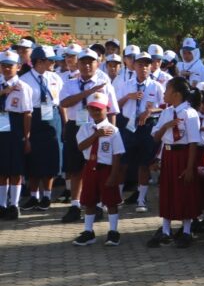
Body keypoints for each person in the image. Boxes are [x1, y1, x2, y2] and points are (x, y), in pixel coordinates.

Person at [57, 50, 120, 224]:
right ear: (77, 64)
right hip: (75, 126)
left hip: (99, 128)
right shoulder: (69, 84)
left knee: (97, 167)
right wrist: (88, 92)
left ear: (97, 64)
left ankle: (97, 204)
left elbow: (113, 110)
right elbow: (64, 103)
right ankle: (75, 205)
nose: (86, 66)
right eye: (83, 62)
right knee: (75, 168)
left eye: (90, 62)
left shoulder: (105, 84)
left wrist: (112, 131)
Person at [148, 77, 202, 248]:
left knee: (184, 191)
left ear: (177, 94)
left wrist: (190, 167)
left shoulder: (190, 113)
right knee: (168, 190)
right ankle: (165, 230)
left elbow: (193, 142)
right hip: (169, 154)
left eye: (167, 90)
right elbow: (156, 137)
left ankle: (186, 231)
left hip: (183, 155)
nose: (164, 94)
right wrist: (167, 126)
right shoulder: (166, 112)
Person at [71, 93, 125, 246]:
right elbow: (81, 146)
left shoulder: (113, 130)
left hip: (106, 168)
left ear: (107, 109)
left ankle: (113, 231)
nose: (95, 112)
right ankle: (89, 231)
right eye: (92, 109)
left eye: (98, 109)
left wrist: (114, 175)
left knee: (111, 201)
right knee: (89, 200)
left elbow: (117, 154)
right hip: (90, 167)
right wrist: (96, 135)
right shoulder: (86, 128)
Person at [118, 51, 164, 213]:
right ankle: (117, 197)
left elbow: (165, 106)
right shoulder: (126, 84)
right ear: (134, 66)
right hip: (129, 126)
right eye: (140, 64)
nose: (143, 68)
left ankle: (141, 198)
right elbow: (116, 105)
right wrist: (128, 97)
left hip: (147, 127)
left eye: (146, 64)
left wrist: (151, 111)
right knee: (123, 162)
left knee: (144, 164)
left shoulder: (156, 86)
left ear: (151, 67)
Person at [19, 46, 62, 212]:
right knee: (34, 159)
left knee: (51, 157)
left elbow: (61, 101)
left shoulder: (55, 78)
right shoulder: (25, 80)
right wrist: (27, 134)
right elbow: (26, 108)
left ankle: (47, 196)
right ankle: (33, 196)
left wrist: (64, 123)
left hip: (53, 117)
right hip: (34, 118)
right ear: (38, 61)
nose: (53, 63)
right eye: (50, 60)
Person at [0, 50, 33, 219]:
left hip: (14, 128)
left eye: (10, 66)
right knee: (1, 170)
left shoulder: (23, 87)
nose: (6, 69)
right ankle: (1, 205)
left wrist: (26, 137)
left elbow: (27, 113)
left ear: (18, 67)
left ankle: (14, 205)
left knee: (15, 169)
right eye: (3, 65)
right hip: (0, 127)